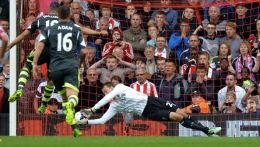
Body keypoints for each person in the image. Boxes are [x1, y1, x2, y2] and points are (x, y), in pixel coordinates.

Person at [80, 82, 221, 137]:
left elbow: (107, 97)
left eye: (107, 90)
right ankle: (207, 131)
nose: (107, 94)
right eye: (105, 92)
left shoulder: (119, 87)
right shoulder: (114, 105)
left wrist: (93, 109)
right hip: (148, 111)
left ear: (112, 87)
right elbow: (103, 120)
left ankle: (208, 131)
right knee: (177, 117)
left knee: (181, 113)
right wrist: (87, 122)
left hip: (152, 100)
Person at [32, 5, 86, 137]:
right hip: (71, 66)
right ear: (70, 15)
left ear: (58, 16)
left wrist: (34, 63)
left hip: (55, 68)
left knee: (64, 97)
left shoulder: (49, 29)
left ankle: (74, 128)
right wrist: (79, 63)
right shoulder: (76, 28)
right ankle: (69, 105)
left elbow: (39, 45)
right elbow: (84, 51)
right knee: (73, 97)